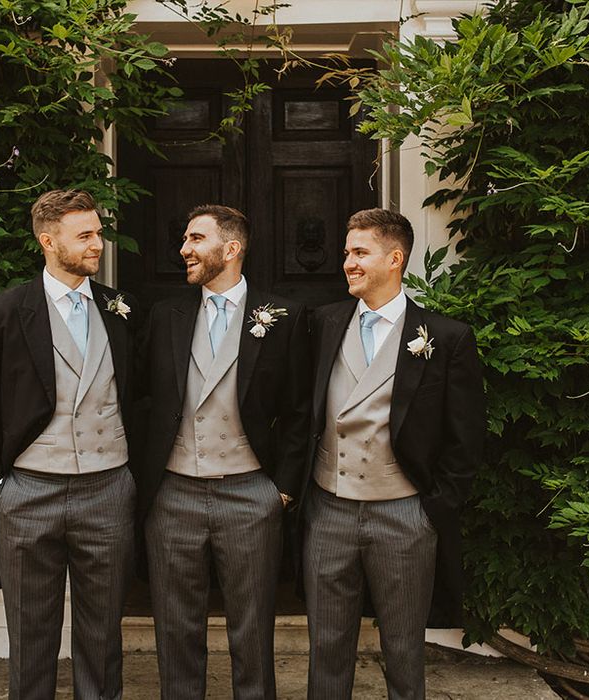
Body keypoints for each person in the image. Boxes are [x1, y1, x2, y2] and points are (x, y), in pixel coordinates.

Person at [0, 190, 138, 700]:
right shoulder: (4, 311)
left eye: (98, 233)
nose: (97, 244)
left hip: (107, 490)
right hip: (28, 493)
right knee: (31, 636)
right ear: (48, 240)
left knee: (102, 637)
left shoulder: (118, 308)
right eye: (85, 235)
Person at [301, 208, 485, 700]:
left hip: (404, 514)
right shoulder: (324, 322)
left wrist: (431, 512)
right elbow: (301, 412)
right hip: (329, 508)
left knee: (404, 648)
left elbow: (465, 439)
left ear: (395, 259)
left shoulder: (445, 338)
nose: (348, 263)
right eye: (346, 253)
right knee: (327, 647)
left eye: (360, 253)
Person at [138, 205, 310, 699]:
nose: (183, 250)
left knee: (252, 632)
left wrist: (281, 491)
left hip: (249, 493)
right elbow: (142, 398)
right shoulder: (165, 313)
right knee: (175, 631)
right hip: (173, 492)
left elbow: (300, 412)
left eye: (195, 239)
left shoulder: (284, 316)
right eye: (185, 239)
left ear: (230, 249)